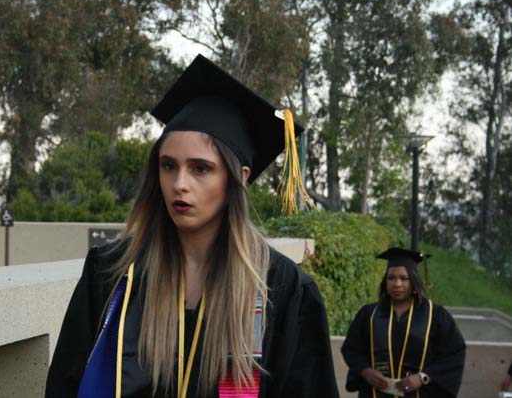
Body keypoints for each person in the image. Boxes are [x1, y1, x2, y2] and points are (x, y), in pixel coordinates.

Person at [45, 55, 339, 398]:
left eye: (200, 168)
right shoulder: (114, 274)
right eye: (169, 166)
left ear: (238, 179)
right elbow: (65, 385)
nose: (179, 184)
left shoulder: (282, 289)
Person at [341, 247, 466, 397]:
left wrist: (422, 378)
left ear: (413, 281)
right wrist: (365, 371)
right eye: (391, 278)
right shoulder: (369, 314)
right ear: (385, 281)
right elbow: (351, 349)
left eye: (403, 278)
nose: (397, 284)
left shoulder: (435, 315)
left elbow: (454, 354)